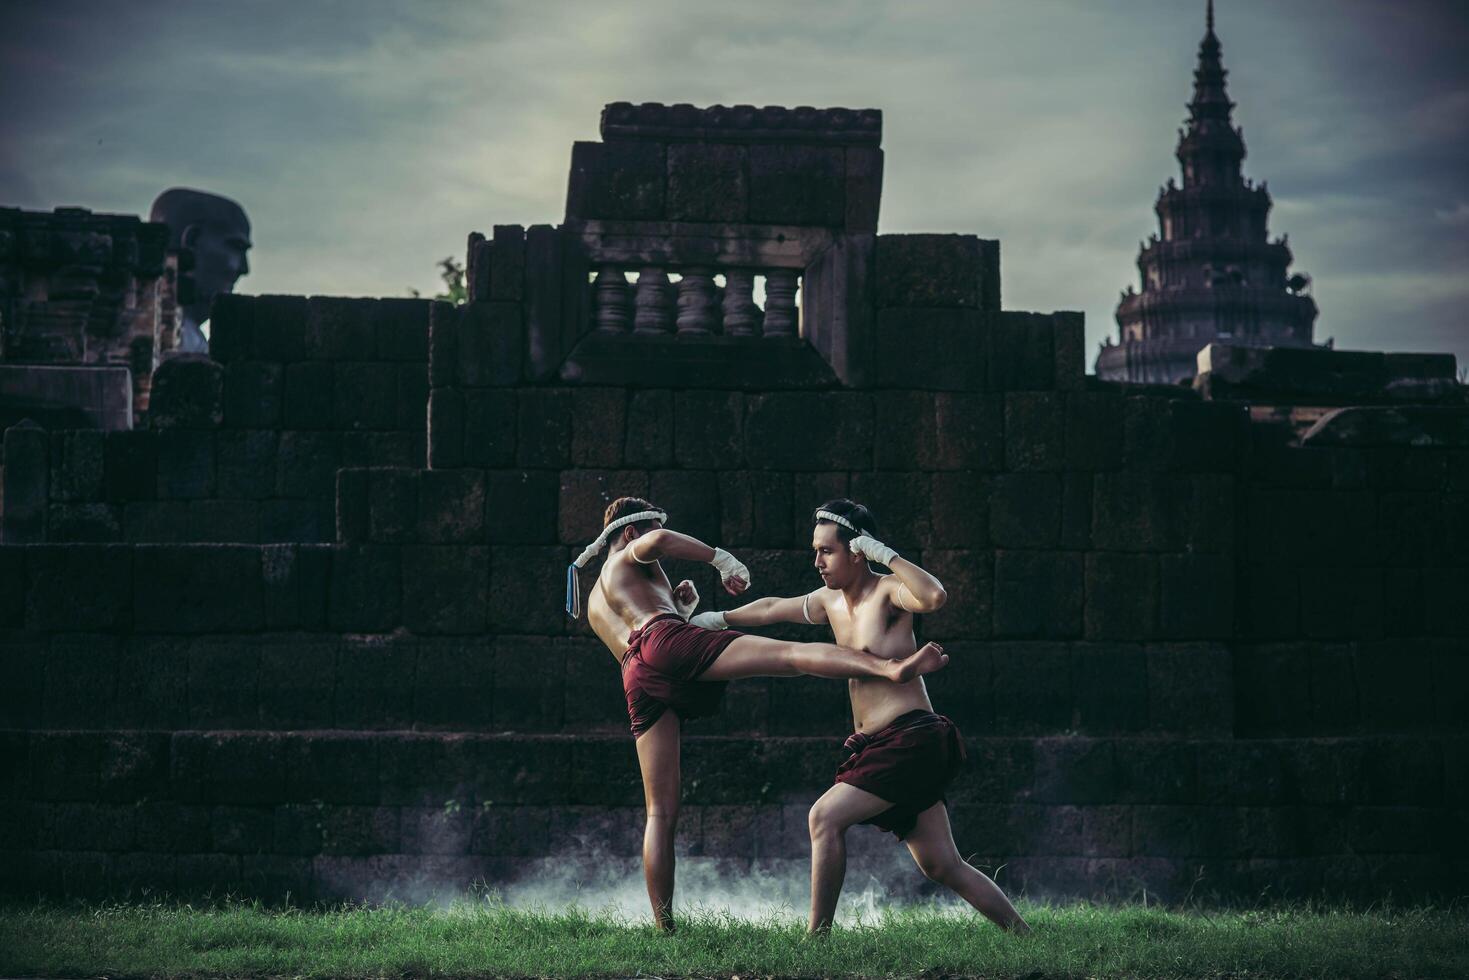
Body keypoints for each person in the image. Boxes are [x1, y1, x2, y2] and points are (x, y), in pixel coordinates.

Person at [568, 496, 948, 931]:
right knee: (791, 654)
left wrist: (686, 611)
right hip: (663, 641)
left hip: (635, 673)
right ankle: (890, 668)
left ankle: (663, 928)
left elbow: (642, 634)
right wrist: (720, 559)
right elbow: (660, 545)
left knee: (660, 811)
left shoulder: (599, 595)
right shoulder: (631, 549)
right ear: (630, 532)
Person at [694, 499, 1029, 934]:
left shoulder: (888, 592)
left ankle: (817, 940)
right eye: (815, 550)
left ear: (857, 551)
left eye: (826, 551)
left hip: (912, 738)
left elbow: (934, 596)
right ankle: (1022, 935)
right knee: (942, 865)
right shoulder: (829, 601)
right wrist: (712, 619)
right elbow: (772, 608)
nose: (817, 561)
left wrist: (885, 554)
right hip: (881, 744)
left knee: (824, 817)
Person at [149, 188, 252, 353]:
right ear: (192, 241)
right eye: (235, 247)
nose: (244, 269)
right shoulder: (162, 343)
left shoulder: (192, 342)